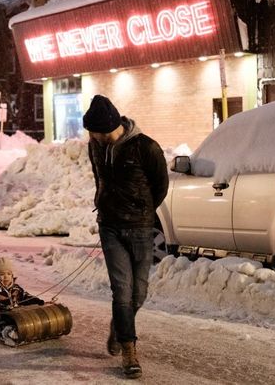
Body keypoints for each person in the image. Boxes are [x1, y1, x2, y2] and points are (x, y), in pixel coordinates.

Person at [83, 95, 168, 379]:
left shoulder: (146, 147)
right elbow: (100, 179)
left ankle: (119, 325)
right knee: (122, 290)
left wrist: (140, 210)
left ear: (108, 127)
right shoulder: (95, 146)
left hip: (141, 228)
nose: (92, 136)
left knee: (139, 292)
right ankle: (129, 352)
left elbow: (160, 186)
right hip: (110, 227)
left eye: (94, 132)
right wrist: (105, 204)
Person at [0, 256, 44, 344]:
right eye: (2, 274)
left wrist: (35, 300)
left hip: (14, 314)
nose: (6, 277)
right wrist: (1, 309)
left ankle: (27, 329)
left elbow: (25, 296)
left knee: (28, 319)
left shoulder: (16, 289)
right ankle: (7, 332)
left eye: (9, 274)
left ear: (12, 275)